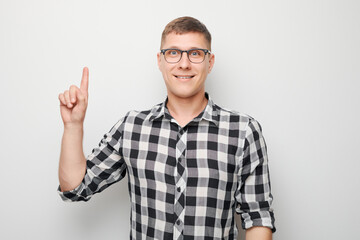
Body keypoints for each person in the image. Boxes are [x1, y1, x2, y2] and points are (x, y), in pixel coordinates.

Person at [57, 16, 276, 240]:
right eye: (173, 53)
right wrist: (73, 126)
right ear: (160, 61)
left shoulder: (243, 131)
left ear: (210, 63)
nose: (184, 63)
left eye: (195, 53)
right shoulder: (132, 127)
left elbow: (258, 218)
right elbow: (75, 187)